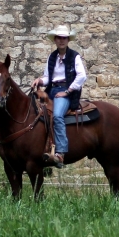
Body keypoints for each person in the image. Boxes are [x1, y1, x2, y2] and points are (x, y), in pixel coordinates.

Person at [30, 25, 86, 168]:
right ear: (55, 39)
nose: (61, 40)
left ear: (68, 40)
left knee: (57, 116)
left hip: (66, 91)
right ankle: (41, 147)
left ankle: (60, 153)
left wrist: (68, 91)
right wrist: (39, 81)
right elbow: (48, 78)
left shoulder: (74, 56)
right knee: (36, 112)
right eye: (59, 38)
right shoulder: (52, 57)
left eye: (64, 38)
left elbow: (82, 76)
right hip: (52, 90)